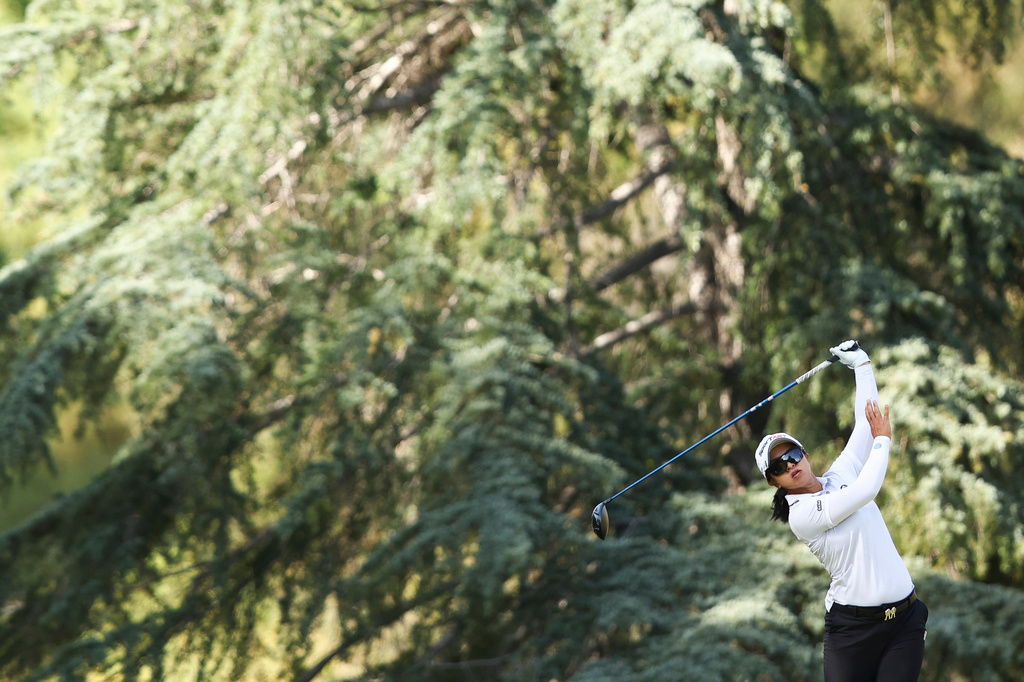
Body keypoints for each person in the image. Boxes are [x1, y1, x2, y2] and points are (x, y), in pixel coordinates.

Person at [754, 340, 928, 682]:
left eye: (792, 455)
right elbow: (867, 489)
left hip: (905, 622)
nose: (790, 465)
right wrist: (884, 441)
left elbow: (865, 423)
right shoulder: (802, 516)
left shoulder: (840, 474)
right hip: (853, 632)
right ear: (774, 483)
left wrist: (862, 366)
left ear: (804, 455)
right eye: (778, 467)